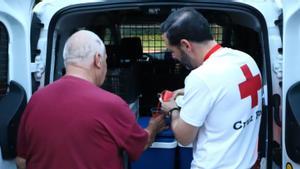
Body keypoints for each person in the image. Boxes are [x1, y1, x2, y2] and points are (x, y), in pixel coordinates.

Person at [16, 30, 166, 169]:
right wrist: (154, 126)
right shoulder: (111, 105)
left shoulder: (36, 100)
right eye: (106, 60)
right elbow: (140, 144)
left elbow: (21, 160)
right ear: (98, 59)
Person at [160, 8, 262, 169]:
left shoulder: (201, 77)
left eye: (172, 51)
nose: (173, 57)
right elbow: (227, 91)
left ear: (186, 45)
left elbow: (184, 138)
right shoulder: (246, 60)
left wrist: (172, 109)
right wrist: (187, 92)